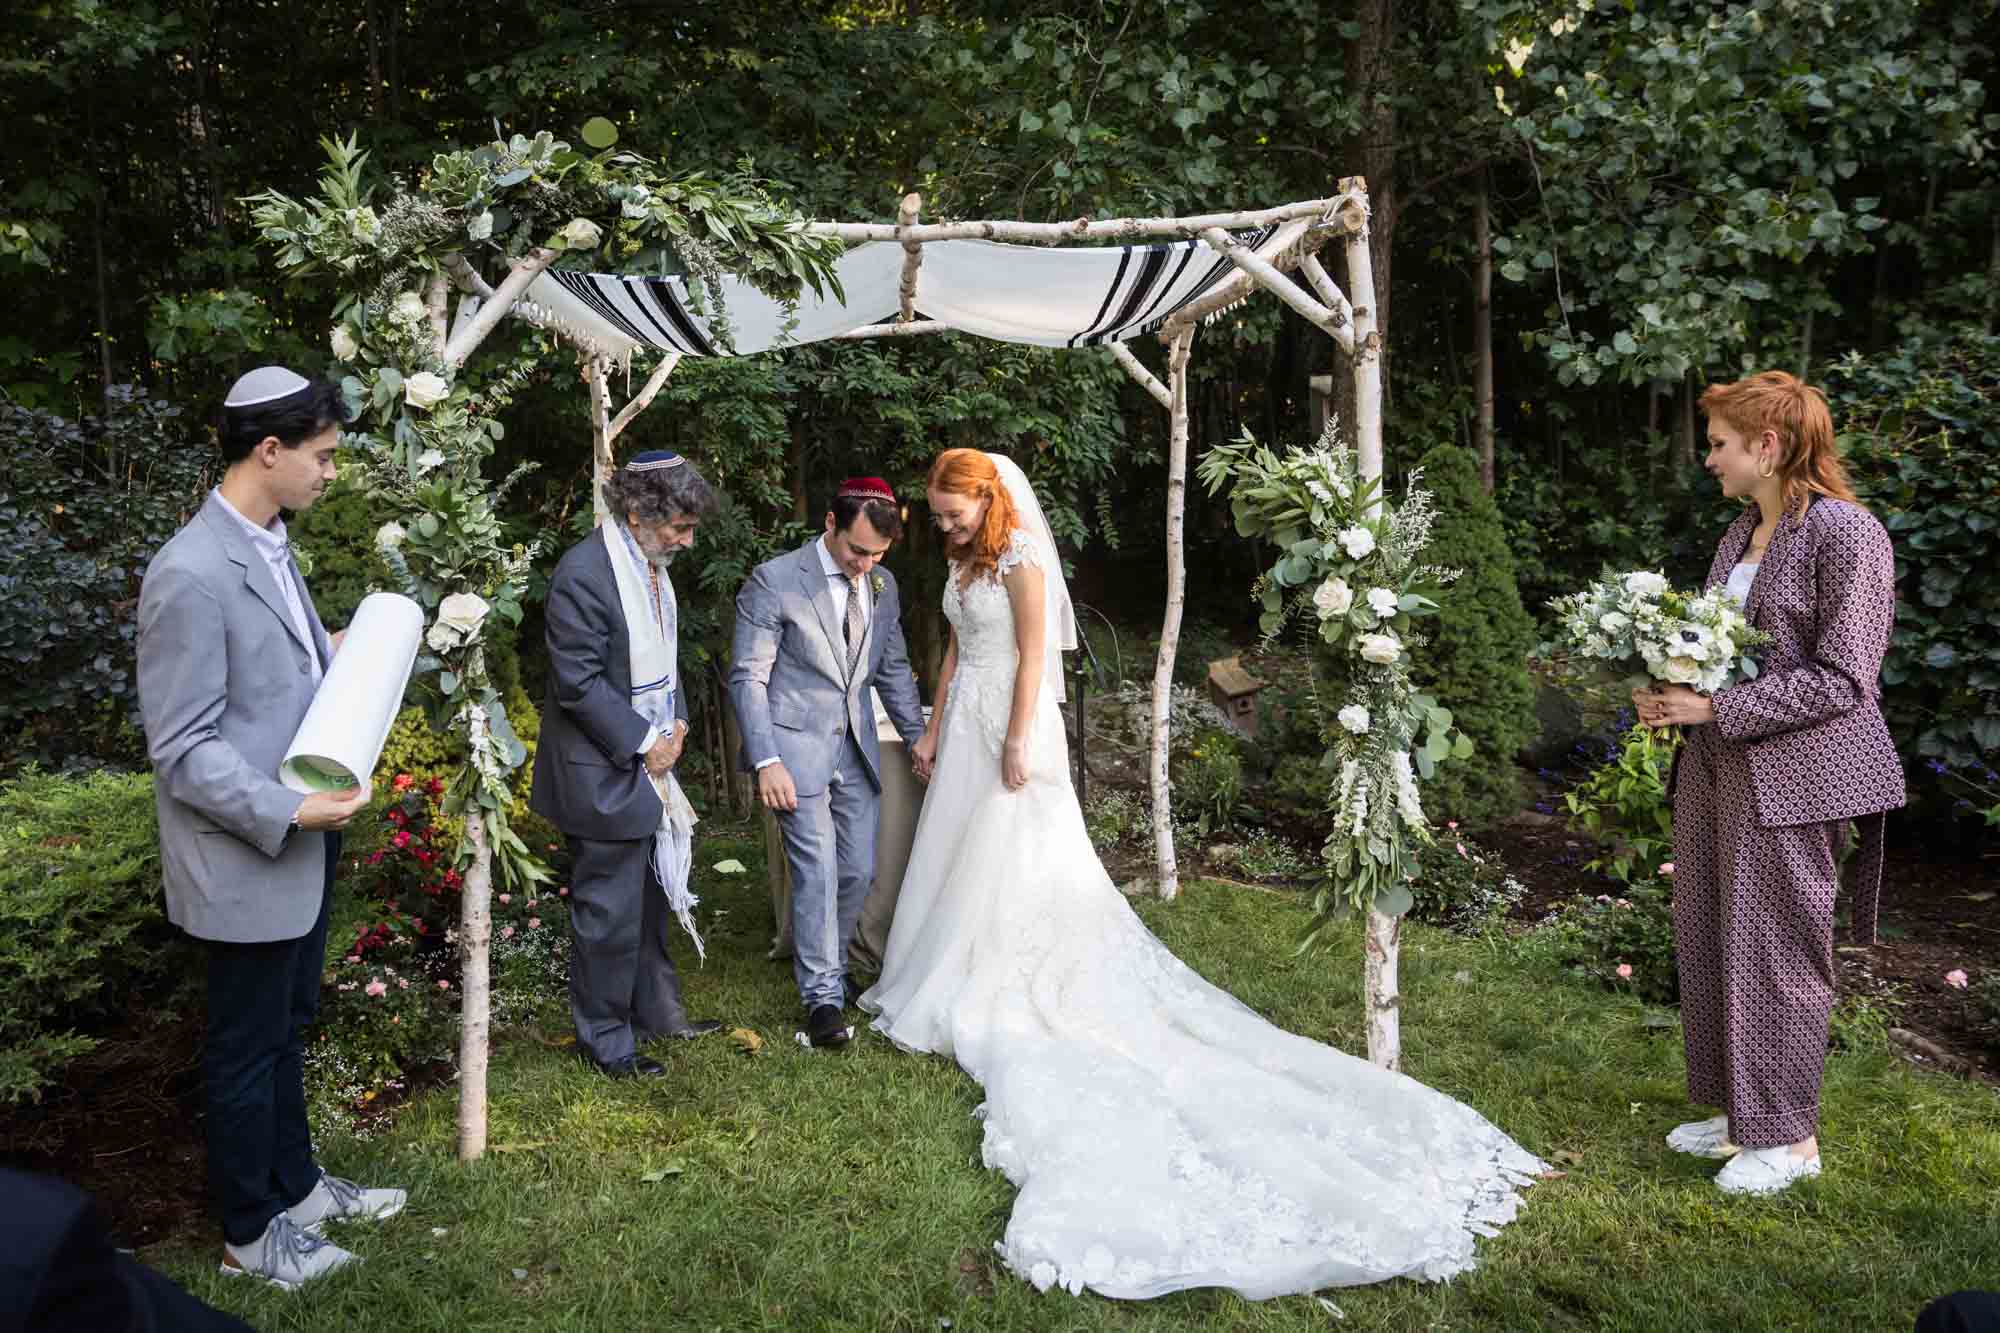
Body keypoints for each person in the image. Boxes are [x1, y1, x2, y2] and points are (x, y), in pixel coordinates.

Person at [861, 448, 1541, 1299]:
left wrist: (1016, 739)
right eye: (939, 512)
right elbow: (960, 650)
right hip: (963, 719)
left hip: (1013, 723)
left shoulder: (1028, 560)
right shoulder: (965, 564)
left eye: (953, 511)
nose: (944, 524)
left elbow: (1036, 658)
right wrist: (932, 723)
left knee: (1015, 854)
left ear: (986, 498)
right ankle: (955, 960)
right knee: (958, 850)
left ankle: (1011, 965)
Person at [136, 367, 405, 1291]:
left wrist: (345, 655)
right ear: (271, 450)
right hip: (247, 849)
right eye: (324, 457)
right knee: (247, 1048)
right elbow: (182, 747)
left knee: (288, 1024)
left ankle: (297, 1187)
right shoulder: (189, 571)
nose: (331, 473)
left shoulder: (271, 541)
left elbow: (276, 670)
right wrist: (288, 807)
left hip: (302, 838)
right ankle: (250, 1235)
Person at [1634, 370, 1905, 1195]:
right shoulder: (1742, 533)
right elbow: (1725, 648)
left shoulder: (1848, 536)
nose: (1709, 458)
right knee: (1714, 934)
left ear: (1770, 445)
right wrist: (1669, 686)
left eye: (1719, 443)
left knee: (1780, 951)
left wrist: (1715, 705)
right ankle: (1735, 1111)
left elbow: (1846, 679)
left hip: (1797, 779)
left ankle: (1788, 1137)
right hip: (1718, 768)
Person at [529, 450, 724, 1079]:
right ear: (638, 512)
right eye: (680, 527)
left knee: (648, 898)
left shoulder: (650, 564)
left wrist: (682, 721)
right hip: (602, 767)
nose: (687, 541)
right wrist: (647, 742)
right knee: (608, 913)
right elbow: (578, 684)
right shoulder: (585, 573)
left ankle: (657, 1011)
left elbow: (664, 656)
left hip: (648, 754)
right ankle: (606, 1040)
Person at [728, 477, 928, 1049]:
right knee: (815, 869)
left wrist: (917, 739)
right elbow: (749, 677)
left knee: (857, 871)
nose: (865, 564)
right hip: (792, 750)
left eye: (877, 555)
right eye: (856, 550)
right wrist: (766, 759)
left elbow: (890, 669)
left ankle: (830, 969)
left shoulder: (883, 586)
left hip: (856, 748)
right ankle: (823, 1001)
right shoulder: (775, 580)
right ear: (831, 525)